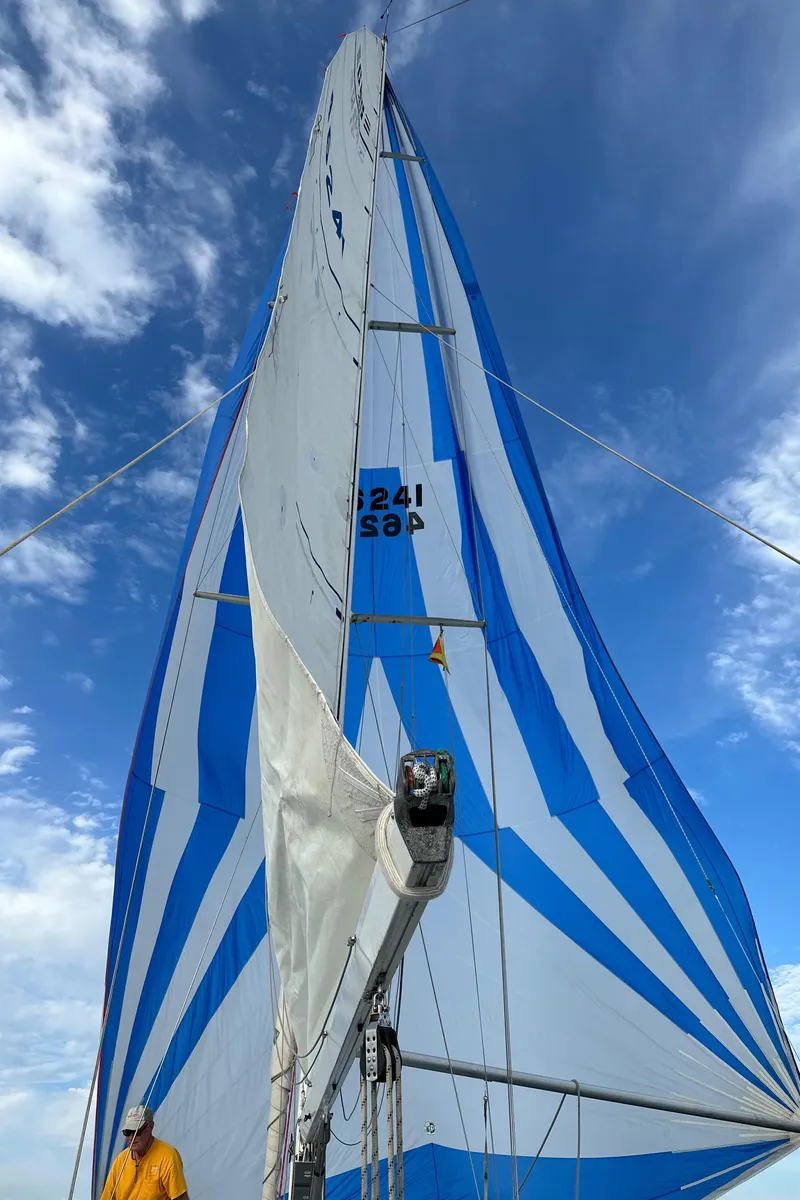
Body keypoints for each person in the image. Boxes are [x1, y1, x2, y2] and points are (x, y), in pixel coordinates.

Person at [99, 1105, 189, 1200]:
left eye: (136, 1131)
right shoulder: (120, 1161)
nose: (131, 1138)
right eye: (127, 1132)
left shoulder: (168, 1156)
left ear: (151, 1126)